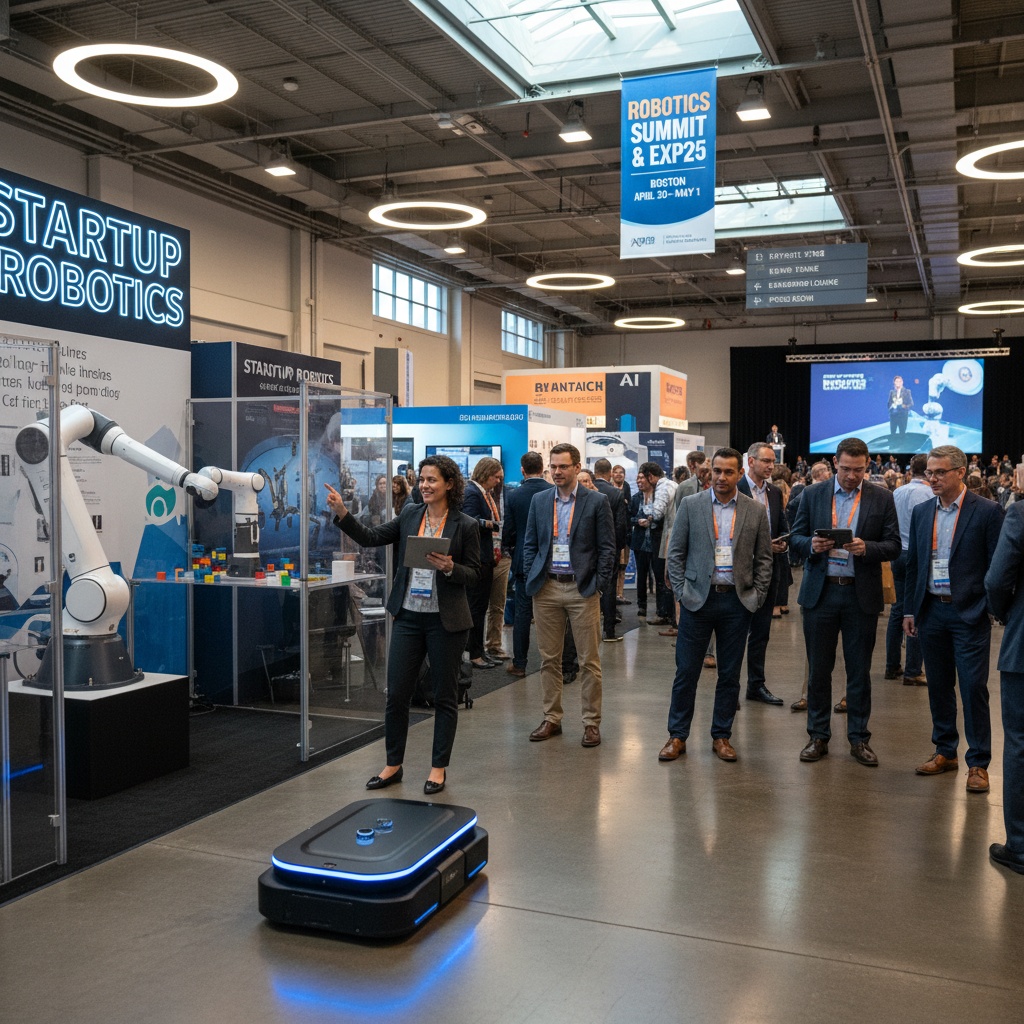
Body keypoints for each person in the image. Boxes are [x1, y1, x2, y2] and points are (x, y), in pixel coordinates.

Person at [324, 455, 480, 794]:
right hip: (408, 616)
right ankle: (393, 765)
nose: (425, 485)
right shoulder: (410, 514)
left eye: (432, 480)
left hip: (445, 622)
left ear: (449, 484)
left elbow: (475, 574)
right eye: (422, 479)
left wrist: (450, 567)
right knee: (396, 694)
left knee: (445, 697)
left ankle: (438, 769)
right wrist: (343, 513)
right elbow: (370, 536)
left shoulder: (465, 525)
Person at [789, 437, 901, 767]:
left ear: (868, 466)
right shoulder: (813, 494)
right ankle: (818, 736)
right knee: (819, 670)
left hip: (859, 595)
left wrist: (868, 548)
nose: (852, 476)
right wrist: (811, 545)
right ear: (835, 463)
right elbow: (796, 538)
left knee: (859, 671)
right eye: (847, 469)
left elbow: (894, 545)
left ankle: (859, 738)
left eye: (859, 470)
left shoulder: (882, 497)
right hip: (821, 594)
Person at [658, 448, 773, 764]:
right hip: (698, 600)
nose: (721, 477)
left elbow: (764, 559)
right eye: (717, 471)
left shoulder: (755, 510)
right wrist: (682, 593)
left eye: (728, 472)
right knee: (686, 671)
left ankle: (721, 736)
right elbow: (676, 553)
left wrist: (756, 595)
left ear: (740, 474)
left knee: (730, 674)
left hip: (737, 602)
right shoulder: (691, 505)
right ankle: (677, 735)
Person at [903, 446, 1003, 793]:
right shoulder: (921, 512)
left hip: (968, 614)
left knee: (973, 688)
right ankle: (945, 750)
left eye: (940, 472)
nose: (932, 479)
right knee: (939, 685)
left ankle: (978, 763)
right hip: (931, 611)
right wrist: (910, 609)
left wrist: (988, 606)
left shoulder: (987, 511)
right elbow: (914, 565)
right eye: (929, 472)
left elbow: (998, 564)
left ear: (961, 472)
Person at [523, 442, 616, 748]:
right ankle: (552, 717)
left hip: (582, 588)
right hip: (546, 587)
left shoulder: (596, 501)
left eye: (563, 466)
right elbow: (530, 544)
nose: (557, 471)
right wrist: (532, 574)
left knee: (589, 661)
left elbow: (607, 548)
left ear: (577, 467)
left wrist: (598, 584)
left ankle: (591, 723)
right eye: (553, 466)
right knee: (549, 659)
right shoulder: (539, 500)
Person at [984, 500, 1024, 873]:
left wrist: (1007, 612)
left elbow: (996, 580)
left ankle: (1021, 847)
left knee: (1020, 743)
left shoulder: (1021, 513)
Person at [737, 442, 790, 705]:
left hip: (768, 572)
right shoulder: (735, 488)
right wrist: (762, 545)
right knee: (734, 633)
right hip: (739, 573)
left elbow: (782, 527)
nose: (771, 466)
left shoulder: (775, 492)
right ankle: (729, 689)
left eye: (773, 462)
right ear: (751, 461)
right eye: (766, 461)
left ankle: (755, 685)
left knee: (761, 632)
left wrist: (783, 542)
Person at [502, 451, 553, 678]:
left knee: (522, 613)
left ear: (522, 470)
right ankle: (553, 662)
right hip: (551, 560)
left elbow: (509, 531)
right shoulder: (553, 491)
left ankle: (520, 663)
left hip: (524, 561)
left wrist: (512, 551)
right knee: (553, 613)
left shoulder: (514, 496)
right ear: (542, 468)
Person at [885, 454, 932, 685]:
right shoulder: (930, 494)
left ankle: (892, 665)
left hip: (898, 554)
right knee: (916, 610)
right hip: (918, 556)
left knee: (898, 610)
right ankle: (913, 670)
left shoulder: (897, 492)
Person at [462, 457, 504, 669]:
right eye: (496, 477)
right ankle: (475, 654)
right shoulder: (472, 493)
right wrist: (491, 524)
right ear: (486, 474)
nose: (498, 481)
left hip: (485, 556)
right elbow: (468, 521)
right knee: (476, 609)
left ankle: (479, 651)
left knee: (480, 607)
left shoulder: (482, 493)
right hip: (478, 558)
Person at [592, 458, 630, 643]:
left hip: (588, 548)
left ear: (594, 472)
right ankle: (609, 631)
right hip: (609, 547)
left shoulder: (586, 492)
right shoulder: (616, 493)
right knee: (609, 586)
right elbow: (621, 525)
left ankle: (589, 630)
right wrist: (618, 547)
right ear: (609, 474)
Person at [637, 462, 675, 625]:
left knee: (662, 578)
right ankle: (670, 614)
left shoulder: (661, 487)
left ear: (651, 476)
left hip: (665, 536)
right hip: (672, 534)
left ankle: (664, 614)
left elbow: (658, 512)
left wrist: (649, 519)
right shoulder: (672, 484)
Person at [484, 466, 512, 662]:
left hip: (503, 554)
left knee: (498, 604)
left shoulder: (510, 494)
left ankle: (494, 644)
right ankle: (475, 648)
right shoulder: (478, 495)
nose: (498, 481)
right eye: (495, 477)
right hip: (483, 555)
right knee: (478, 604)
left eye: (500, 477)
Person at [610, 464, 632, 603]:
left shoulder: (627, 487)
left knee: (622, 566)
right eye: (616, 472)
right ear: (611, 474)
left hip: (624, 532)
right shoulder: (609, 489)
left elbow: (629, 507)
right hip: (611, 533)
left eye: (621, 472)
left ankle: (620, 594)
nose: (618, 474)